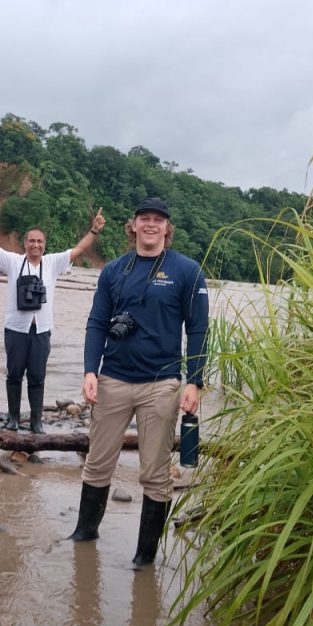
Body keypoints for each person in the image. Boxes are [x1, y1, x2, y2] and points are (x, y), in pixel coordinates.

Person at [69, 197, 208, 568]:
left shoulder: (188, 271)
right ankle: (84, 534)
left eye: (158, 220)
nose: (150, 225)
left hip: (161, 384)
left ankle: (144, 557)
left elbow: (197, 329)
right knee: (97, 464)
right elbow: (97, 323)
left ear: (167, 228)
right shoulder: (114, 271)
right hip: (113, 378)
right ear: (133, 225)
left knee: (155, 474)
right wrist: (89, 371)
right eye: (144, 219)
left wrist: (194, 381)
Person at [0, 205, 106, 433]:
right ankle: (12, 418)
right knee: (14, 375)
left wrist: (94, 230)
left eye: (40, 241)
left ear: (45, 245)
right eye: (31, 241)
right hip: (16, 329)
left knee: (37, 377)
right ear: (25, 244)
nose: (36, 245)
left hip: (41, 331)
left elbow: (78, 250)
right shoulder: (13, 262)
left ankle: (36, 421)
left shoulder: (52, 263)